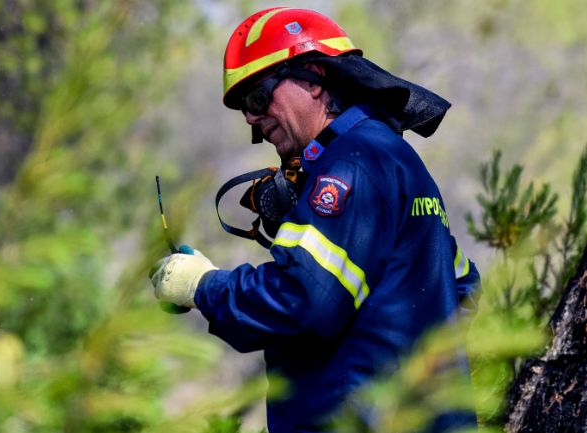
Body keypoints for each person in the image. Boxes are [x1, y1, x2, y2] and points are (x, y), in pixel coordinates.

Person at [149, 7, 480, 433]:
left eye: (257, 98)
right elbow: (461, 287)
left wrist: (201, 285)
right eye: (245, 109)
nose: (251, 118)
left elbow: (303, 300)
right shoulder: (396, 158)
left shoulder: (349, 167)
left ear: (314, 78)